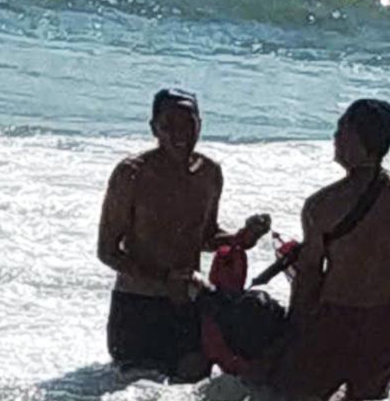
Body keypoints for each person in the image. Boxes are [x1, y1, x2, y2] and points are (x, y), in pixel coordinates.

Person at [267, 99, 390, 401]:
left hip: (336, 319)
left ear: (357, 139)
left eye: (341, 129)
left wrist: (293, 329)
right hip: (388, 321)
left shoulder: (322, 205)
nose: (335, 137)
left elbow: (308, 277)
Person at [97, 88, 269, 381]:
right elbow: (107, 251)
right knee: (139, 390)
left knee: (194, 384)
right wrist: (163, 279)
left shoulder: (209, 173)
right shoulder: (132, 174)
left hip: (186, 304)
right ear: (154, 129)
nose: (180, 134)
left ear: (200, 125)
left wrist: (241, 238)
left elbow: (206, 236)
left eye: (188, 124)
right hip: (137, 305)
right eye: (169, 125)